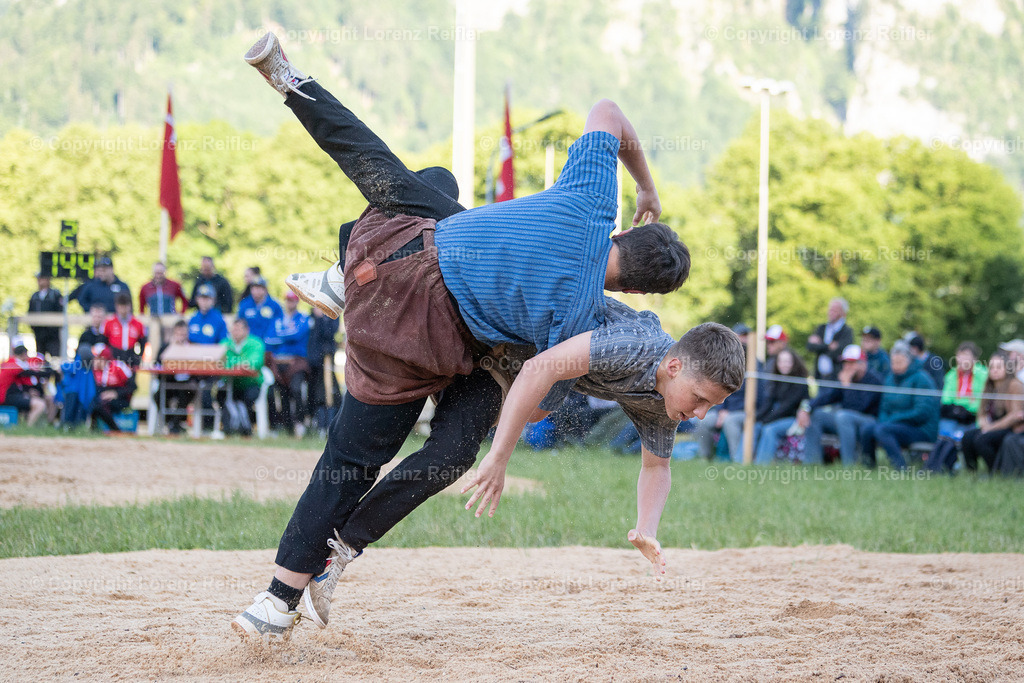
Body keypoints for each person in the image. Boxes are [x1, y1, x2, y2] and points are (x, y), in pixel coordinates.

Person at [233, 33, 733, 641]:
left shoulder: (590, 199)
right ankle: (292, 588)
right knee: (420, 455)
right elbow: (538, 380)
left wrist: (645, 186)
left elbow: (608, 113)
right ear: (641, 298)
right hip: (442, 326)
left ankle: (298, 104)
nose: (702, 413)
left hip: (426, 277)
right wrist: (502, 452)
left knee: (411, 176)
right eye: (705, 400)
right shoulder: (590, 324)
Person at [797, 344, 882, 467]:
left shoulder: (873, 380)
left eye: (852, 363)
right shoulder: (846, 378)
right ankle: (812, 462)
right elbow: (827, 397)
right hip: (845, 420)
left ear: (862, 364)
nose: (847, 366)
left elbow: (860, 407)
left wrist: (847, 385)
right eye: (845, 362)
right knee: (817, 414)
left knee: (843, 416)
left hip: (868, 421)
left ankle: (849, 465)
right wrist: (806, 408)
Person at [862, 341, 939, 470]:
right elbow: (884, 407)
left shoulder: (922, 379)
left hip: (920, 429)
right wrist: (885, 420)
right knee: (867, 429)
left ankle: (900, 468)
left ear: (909, 361)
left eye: (900, 362)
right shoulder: (890, 379)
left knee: (883, 430)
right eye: (893, 363)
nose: (896, 366)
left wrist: (892, 419)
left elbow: (922, 413)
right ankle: (869, 467)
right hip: (894, 424)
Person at [693, 323, 759, 460]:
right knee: (703, 421)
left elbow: (755, 397)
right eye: (739, 336)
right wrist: (721, 410)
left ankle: (738, 460)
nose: (742, 340)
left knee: (730, 422)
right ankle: (705, 458)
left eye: (745, 336)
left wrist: (728, 412)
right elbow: (720, 388)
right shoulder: (726, 362)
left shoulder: (756, 365)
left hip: (745, 410)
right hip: (725, 409)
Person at [720, 323, 785, 462]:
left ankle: (740, 460)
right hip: (760, 411)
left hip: (766, 412)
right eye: (768, 342)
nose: (769, 345)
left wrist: (760, 415)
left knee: (747, 423)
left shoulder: (771, 364)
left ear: (782, 342)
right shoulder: (768, 363)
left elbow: (769, 397)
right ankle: (738, 458)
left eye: (773, 342)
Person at [960, 350, 1024, 473]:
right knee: (967, 437)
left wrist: (991, 428)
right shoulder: (989, 385)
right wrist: (984, 424)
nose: (994, 370)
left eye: (999, 367)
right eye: (992, 367)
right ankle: (972, 472)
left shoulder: (1015, 385)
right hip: (992, 425)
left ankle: (995, 471)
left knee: (982, 440)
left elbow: (1015, 415)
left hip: (1010, 427)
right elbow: (981, 411)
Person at [753, 348, 810, 464]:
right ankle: (741, 460)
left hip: (793, 419)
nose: (784, 364)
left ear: (794, 363)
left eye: (787, 361)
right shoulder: (776, 380)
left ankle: (761, 464)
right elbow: (768, 403)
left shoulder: (800, 382)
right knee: (754, 426)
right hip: (777, 417)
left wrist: (767, 420)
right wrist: (756, 418)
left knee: (769, 429)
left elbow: (787, 407)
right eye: (781, 361)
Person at [266, 291, 311, 436]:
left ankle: (300, 421)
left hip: (296, 360)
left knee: (296, 389)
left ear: (297, 302)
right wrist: (287, 336)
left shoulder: (304, 318)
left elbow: (298, 335)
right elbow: (268, 339)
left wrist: (281, 336)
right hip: (279, 361)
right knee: (281, 393)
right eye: (287, 300)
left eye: (292, 300)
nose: (289, 303)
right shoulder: (277, 319)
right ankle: (288, 427)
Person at [219, 318, 265, 435]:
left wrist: (234, 364)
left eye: (239, 329)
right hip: (230, 382)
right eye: (234, 329)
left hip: (250, 382)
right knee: (220, 395)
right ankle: (228, 427)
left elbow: (254, 362)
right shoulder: (225, 343)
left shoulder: (256, 343)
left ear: (247, 330)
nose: (236, 332)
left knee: (247, 398)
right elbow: (218, 361)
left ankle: (246, 428)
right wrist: (238, 364)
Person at [155, 320, 196, 435]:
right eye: (178, 334)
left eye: (183, 334)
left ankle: (175, 424)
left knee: (186, 393)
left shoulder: (193, 347)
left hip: (187, 383)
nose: (181, 337)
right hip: (170, 383)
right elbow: (158, 366)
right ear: (174, 334)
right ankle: (172, 423)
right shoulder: (165, 347)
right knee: (158, 396)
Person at [306, 305, 341, 436]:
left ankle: (328, 425)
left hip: (326, 358)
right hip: (312, 360)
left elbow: (329, 333)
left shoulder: (333, 313)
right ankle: (314, 423)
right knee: (314, 392)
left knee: (328, 393)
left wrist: (321, 317)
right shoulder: (310, 314)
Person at [89, 343, 135, 433]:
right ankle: (93, 430)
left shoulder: (118, 366)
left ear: (104, 358)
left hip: (121, 399)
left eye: (97, 358)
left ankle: (116, 430)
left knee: (98, 406)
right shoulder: (93, 370)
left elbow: (133, 387)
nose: (94, 360)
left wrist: (115, 393)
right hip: (102, 400)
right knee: (93, 404)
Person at [0, 345, 50, 426]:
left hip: (9, 394)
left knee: (41, 401)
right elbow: (29, 373)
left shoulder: (10, 362)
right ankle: (28, 427)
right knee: (40, 405)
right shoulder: (15, 364)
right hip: (5, 396)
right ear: (23, 354)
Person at [806, 298, 853, 380]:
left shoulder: (846, 331)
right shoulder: (821, 328)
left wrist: (820, 346)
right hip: (820, 376)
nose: (831, 312)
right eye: (830, 309)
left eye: (835, 310)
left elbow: (841, 352)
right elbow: (810, 346)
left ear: (843, 313)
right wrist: (828, 346)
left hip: (836, 378)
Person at [101, 293, 147, 368]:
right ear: (116, 306)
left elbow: (143, 343)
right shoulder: (109, 322)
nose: (123, 310)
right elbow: (103, 342)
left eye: (125, 306)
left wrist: (138, 358)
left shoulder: (138, 324)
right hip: (114, 357)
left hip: (130, 357)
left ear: (130, 306)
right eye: (121, 306)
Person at [28, 272, 64, 358]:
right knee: (40, 357)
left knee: (55, 358)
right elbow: (30, 312)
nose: (40, 281)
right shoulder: (34, 296)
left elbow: (60, 311)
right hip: (39, 333)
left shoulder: (55, 295)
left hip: (52, 334)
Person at [237, 277, 283, 341]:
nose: (256, 291)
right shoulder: (245, 304)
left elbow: (280, 324)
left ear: (265, 289)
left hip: (269, 343)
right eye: (254, 288)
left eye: (259, 288)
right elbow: (239, 323)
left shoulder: (274, 305)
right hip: (250, 343)